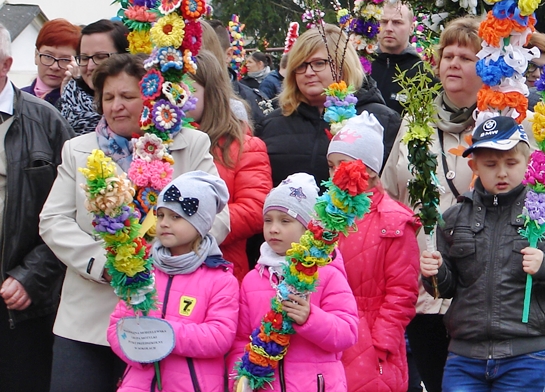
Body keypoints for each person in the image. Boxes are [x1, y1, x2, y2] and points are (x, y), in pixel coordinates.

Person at [39, 54, 228, 392]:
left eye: (128, 97)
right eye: (109, 98)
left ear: (151, 98)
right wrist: (105, 262)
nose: (116, 106)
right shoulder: (77, 150)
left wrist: (170, 256)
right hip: (87, 316)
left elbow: (218, 215)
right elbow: (53, 220)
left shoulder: (190, 144)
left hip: (163, 312)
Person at [420, 116, 545, 392]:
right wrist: (435, 274)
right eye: (490, 165)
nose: (501, 173)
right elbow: (446, 289)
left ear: (527, 163)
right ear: (474, 166)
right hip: (465, 355)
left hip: (526, 352)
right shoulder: (454, 217)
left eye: (511, 163)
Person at [380, 17, 484, 392]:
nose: (453, 63)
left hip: (481, 288)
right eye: (447, 55)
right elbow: (388, 194)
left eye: (466, 57)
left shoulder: (508, 118)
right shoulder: (415, 120)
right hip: (424, 286)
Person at [107, 172, 238, 392]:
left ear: (201, 224)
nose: (165, 223)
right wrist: (139, 352)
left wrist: (163, 335)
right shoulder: (143, 270)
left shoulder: (221, 279)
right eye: (161, 215)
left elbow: (220, 336)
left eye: (176, 217)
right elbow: (116, 326)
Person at [0, 23, 75, 392]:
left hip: (19, 300)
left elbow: (72, 214)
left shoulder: (45, 122)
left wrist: (31, 275)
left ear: (6, 65)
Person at [234, 173, 360, 391]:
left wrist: (310, 318)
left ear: (308, 228)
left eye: (285, 221)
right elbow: (240, 340)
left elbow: (347, 332)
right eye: (268, 220)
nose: (274, 228)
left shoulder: (327, 274)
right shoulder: (253, 279)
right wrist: (239, 378)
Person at [330, 112, 421, 392]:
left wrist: (381, 342)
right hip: (329, 334)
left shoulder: (393, 222)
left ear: (368, 170)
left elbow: (402, 292)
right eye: (330, 165)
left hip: (372, 341)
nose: (334, 174)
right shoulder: (327, 216)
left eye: (341, 165)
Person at [259, 25, 401, 186]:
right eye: (301, 65)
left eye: (319, 63)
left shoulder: (381, 120)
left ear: (343, 65)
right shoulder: (272, 124)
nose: (308, 72)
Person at [191, 51, 272, 281]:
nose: (179, 97)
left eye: (191, 89)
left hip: (219, 271)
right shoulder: (156, 143)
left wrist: (193, 226)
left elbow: (255, 208)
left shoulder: (244, 146)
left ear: (212, 93)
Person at [59, 19, 129, 135]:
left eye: (100, 57)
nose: (90, 66)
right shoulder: (64, 104)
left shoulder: (145, 106)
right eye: (84, 58)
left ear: (125, 56)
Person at [371, 1, 426, 116]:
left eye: (397, 22)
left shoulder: (422, 74)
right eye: (383, 22)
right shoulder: (361, 67)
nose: (389, 28)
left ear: (411, 28)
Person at [22, 19, 80, 108]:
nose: (54, 66)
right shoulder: (17, 98)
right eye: (48, 57)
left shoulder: (83, 103)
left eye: (64, 59)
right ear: (36, 55)